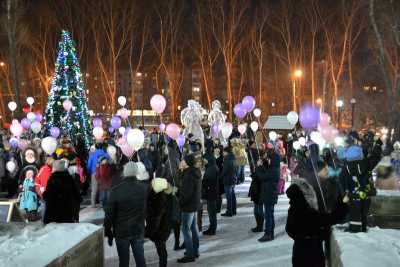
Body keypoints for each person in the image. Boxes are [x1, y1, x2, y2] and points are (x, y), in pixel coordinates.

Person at [286, 178, 348, 267]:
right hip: (312, 253)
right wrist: (343, 203)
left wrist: (302, 237)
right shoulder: (309, 213)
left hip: (298, 251)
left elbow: (289, 230)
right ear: (306, 196)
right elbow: (332, 218)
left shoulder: (292, 209)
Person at [104, 161, 150, 267]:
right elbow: (149, 209)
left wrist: (108, 232)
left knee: (123, 261)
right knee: (140, 259)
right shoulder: (144, 188)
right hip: (138, 229)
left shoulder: (116, 191)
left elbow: (109, 215)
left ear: (124, 172)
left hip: (121, 231)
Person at [177, 154, 202, 263]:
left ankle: (190, 254)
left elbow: (186, 194)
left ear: (187, 163)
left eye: (183, 161)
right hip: (195, 204)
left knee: (185, 230)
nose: (181, 162)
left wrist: (179, 203)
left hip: (188, 206)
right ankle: (195, 251)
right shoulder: (194, 172)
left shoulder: (188, 176)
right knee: (193, 228)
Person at [145, 177, 173, 267]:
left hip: (160, 230)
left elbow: (156, 219)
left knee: (161, 250)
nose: (151, 184)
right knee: (161, 249)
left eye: (153, 183)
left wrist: (148, 232)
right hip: (163, 228)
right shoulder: (163, 195)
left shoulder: (158, 199)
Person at [255, 150, 280, 242]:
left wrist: (258, 167)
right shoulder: (274, 168)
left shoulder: (274, 170)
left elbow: (262, 177)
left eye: (269, 159)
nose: (268, 160)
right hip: (270, 194)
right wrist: (262, 164)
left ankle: (268, 234)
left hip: (269, 195)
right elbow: (265, 172)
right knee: (270, 214)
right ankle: (270, 232)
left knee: (268, 215)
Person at [87, 142, 110, 207]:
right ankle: (102, 202)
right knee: (102, 188)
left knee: (94, 189)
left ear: (95, 147)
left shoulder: (92, 155)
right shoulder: (105, 154)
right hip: (103, 172)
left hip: (94, 173)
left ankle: (93, 204)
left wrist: (89, 172)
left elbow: (89, 165)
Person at [202, 149, 219, 235]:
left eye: (204, 159)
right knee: (211, 212)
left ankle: (212, 229)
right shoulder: (212, 166)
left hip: (211, 194)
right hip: (212, 193)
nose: (204, 161)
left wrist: (203, 182)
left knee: (211, 212)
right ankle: (212, 227)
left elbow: (208, 182)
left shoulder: (211, 168)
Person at [220, 146, 237, 217]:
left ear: (226, 152)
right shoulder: (233, 158)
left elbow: (225, 171)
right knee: (232, 195)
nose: (223, 153)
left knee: (229, 197)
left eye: (223, 152)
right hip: (233, 178)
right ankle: (233, 210)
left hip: (228, 179)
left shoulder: (227, 159)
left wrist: (219, 177)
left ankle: (229, 211)